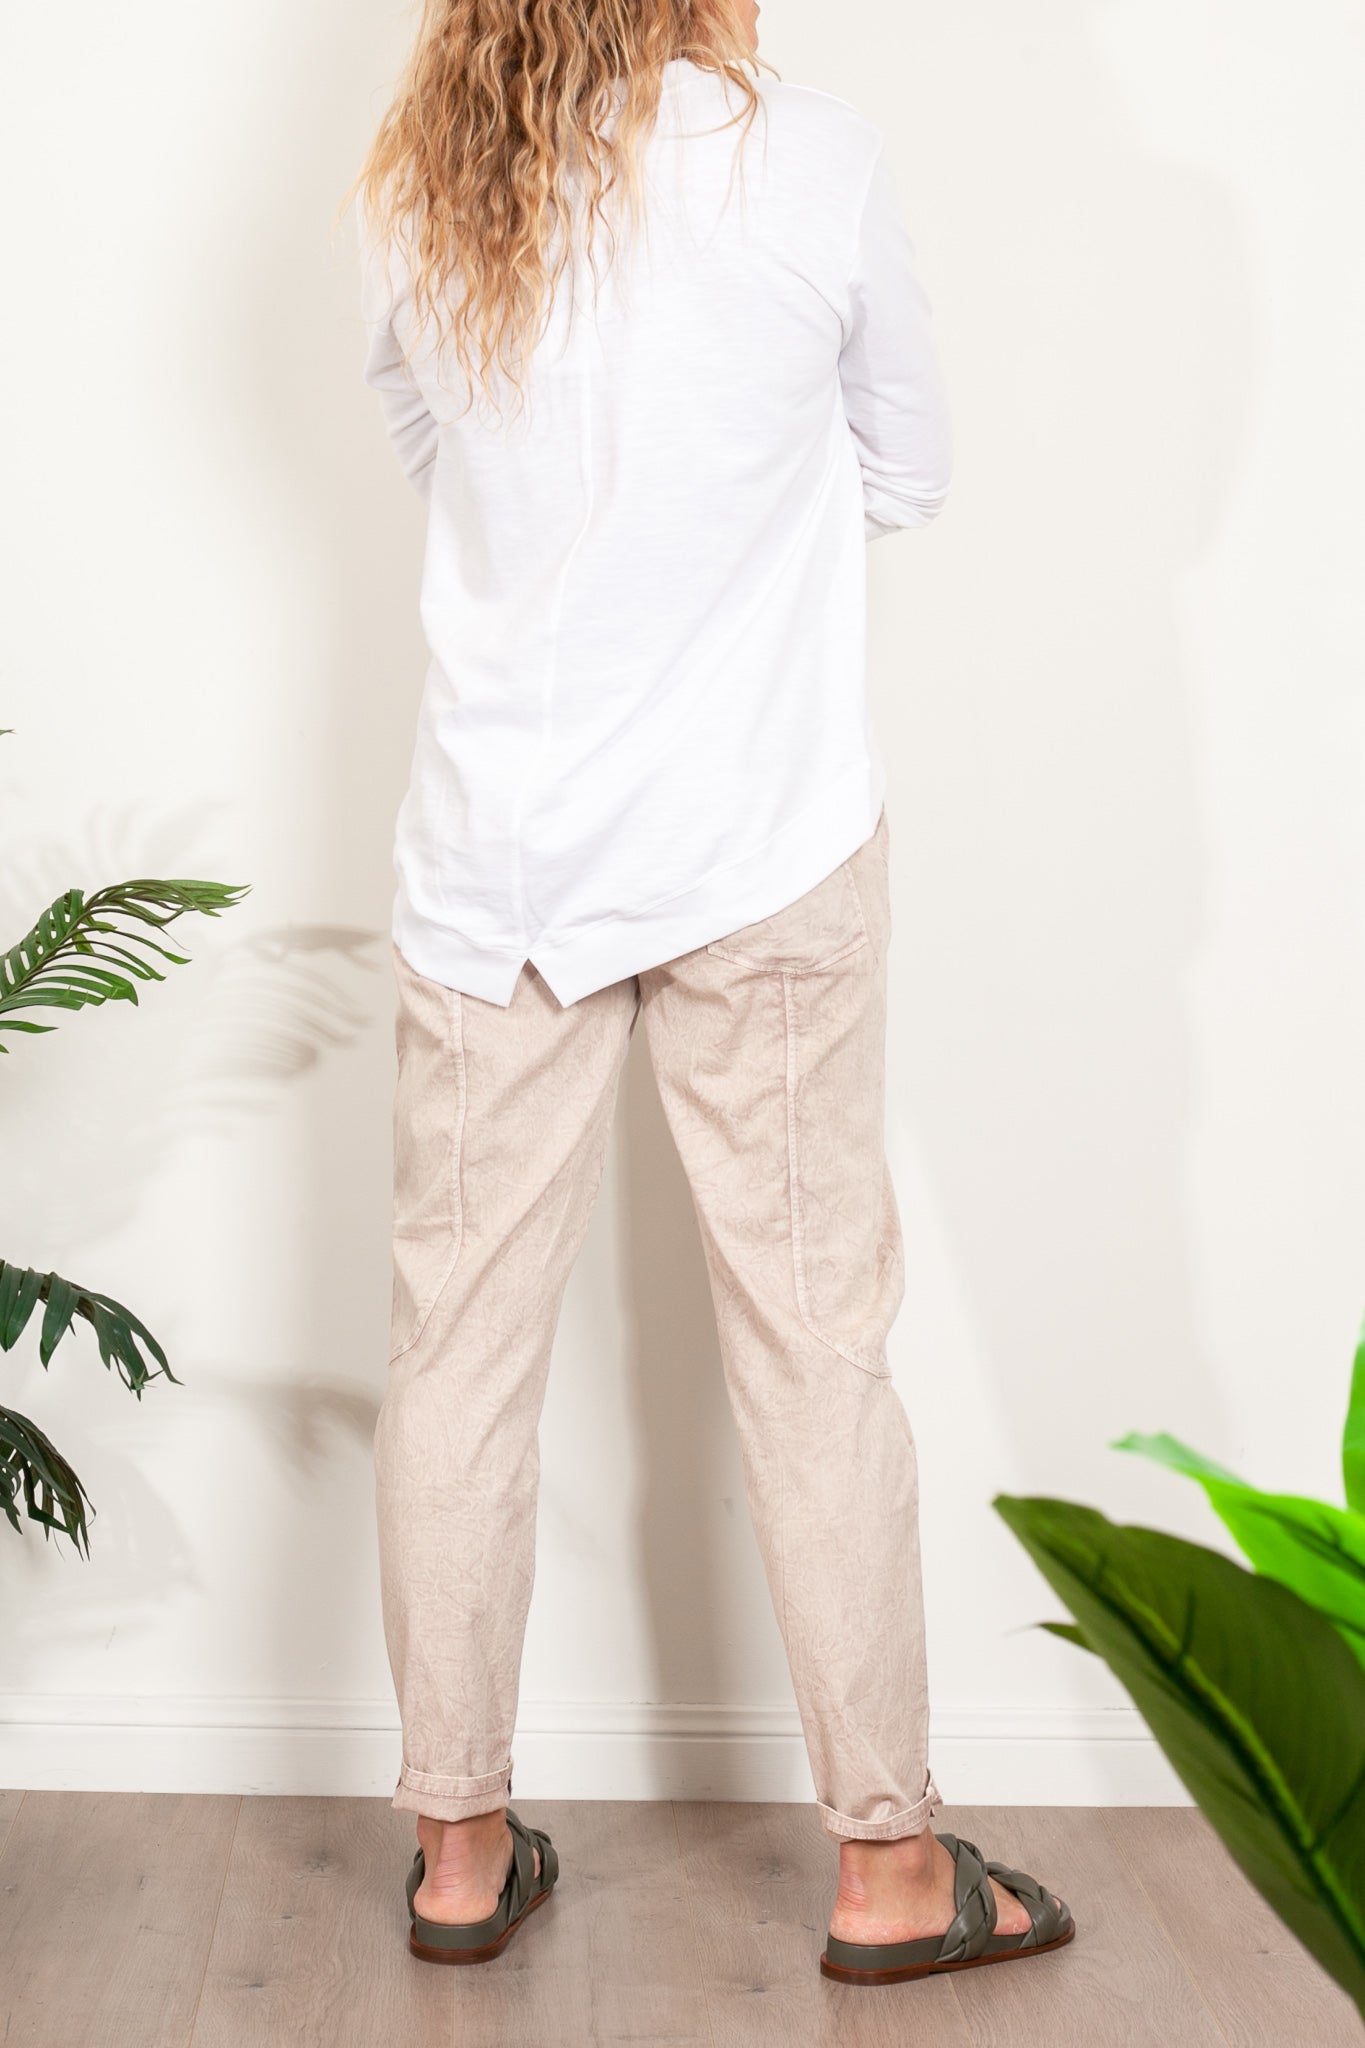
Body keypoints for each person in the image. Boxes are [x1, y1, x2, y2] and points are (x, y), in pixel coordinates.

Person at [346, 0, 1074, 1988]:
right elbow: (908, 467)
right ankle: (887, 1873)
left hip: (495, 863)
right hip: (761, 840)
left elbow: (425, 449)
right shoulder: (806, 161)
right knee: (815, 1346)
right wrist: (731, 529)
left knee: (456, 1351)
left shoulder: (429, 178)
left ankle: (457, 1852)